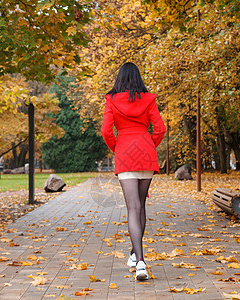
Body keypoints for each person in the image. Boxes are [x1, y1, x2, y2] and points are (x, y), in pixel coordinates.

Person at [101, 62, 166, 281]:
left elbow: (105, 131)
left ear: (119, 78)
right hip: (145, 152)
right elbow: (160, 128)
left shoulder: (111, 100)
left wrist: (116, 147)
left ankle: (140, 262)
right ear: (138, 78)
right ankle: (134, 254)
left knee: (132, 208)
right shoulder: (148, 99)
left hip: (125, 153)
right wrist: (150, 144)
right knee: (141, 206)